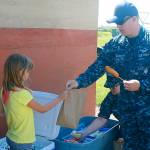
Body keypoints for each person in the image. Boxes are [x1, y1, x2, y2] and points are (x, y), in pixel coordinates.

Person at [66, 1, 150, 150]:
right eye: (116, 23)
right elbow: (98, 66)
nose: (118, 26)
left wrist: (141, 85)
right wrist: (79, 82)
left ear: (134, 19)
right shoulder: (115, 44)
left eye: (121, 22)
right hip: (127, 114)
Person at [0, 53, 67, 150]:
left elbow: (2, 112)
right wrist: (60, 98)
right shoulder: (22, 94)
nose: (28, 74)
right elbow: (43, 109)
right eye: (27, 71)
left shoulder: (4, 90)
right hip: (23, 141)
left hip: (11, 137)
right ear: (19, 72)